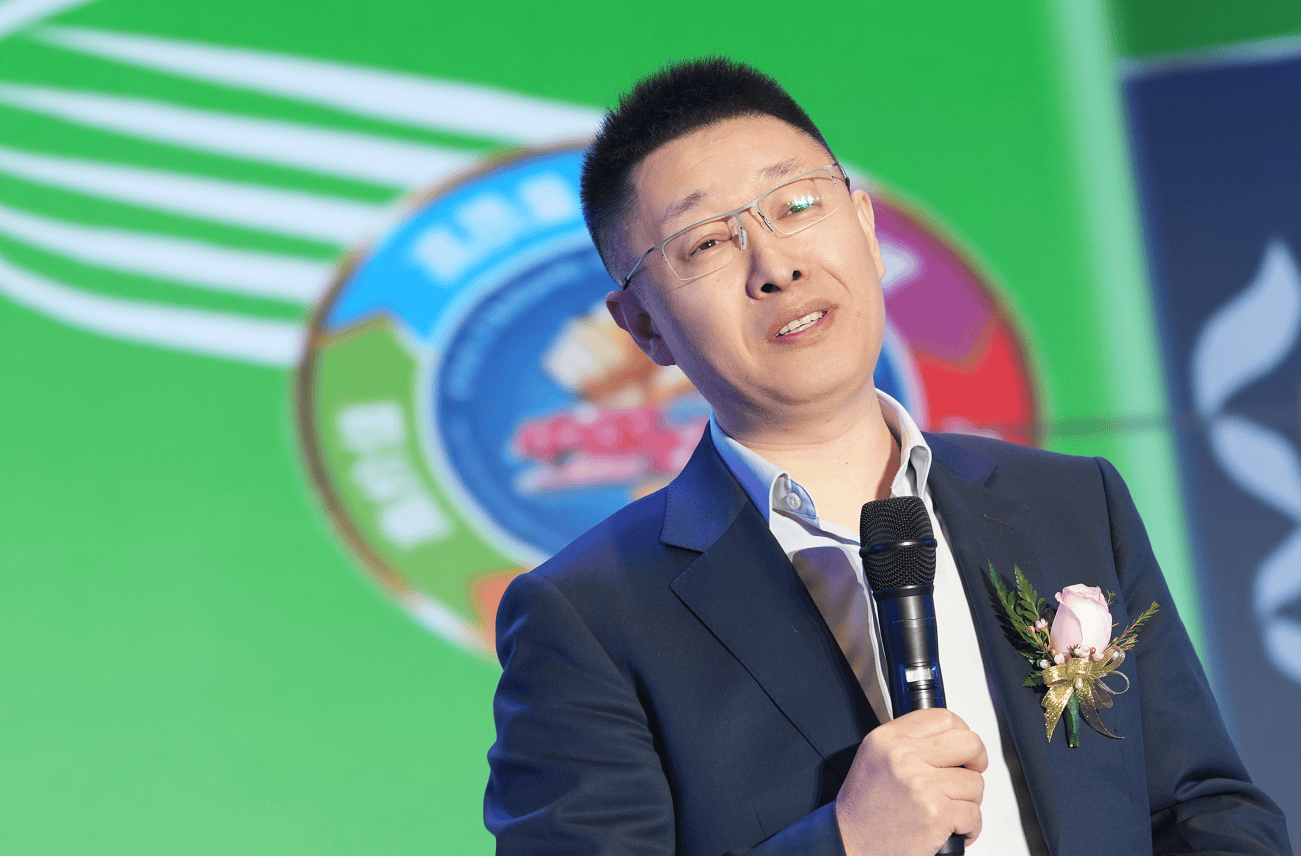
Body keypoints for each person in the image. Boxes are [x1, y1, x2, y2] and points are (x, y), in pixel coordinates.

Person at [484, 57, 1291, 856]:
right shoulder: (590, 616)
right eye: (706, 244)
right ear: (642, 325)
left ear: (866, 229)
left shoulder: (1070, 504)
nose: (776, 266)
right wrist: (846, 842)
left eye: (796, 205)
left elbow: (1205, 811)